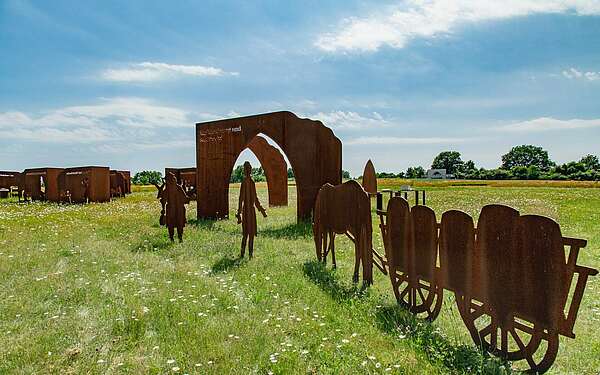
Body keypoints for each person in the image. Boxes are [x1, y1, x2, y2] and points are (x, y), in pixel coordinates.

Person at [237, 161, 267, 258]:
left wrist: (261, 210)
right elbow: (241, 199)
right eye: (246, 169)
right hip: (247, 211)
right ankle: (244, 254)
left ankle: (248, 254)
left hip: (249, 211)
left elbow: (254, 198)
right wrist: (239, 213)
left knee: (250, 235)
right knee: (247, 234)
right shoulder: (246, 183)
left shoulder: (249, 182)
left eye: (249, 169)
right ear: (245, 171)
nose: (248, 171)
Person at [164, 172, 190, 242]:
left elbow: (184, 197)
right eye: (173, 178)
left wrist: (188, 198)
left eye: (174, 178)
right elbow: (163, 199)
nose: (175, 179)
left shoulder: (178, 187)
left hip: (179, 209)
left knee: (179, 223)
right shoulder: (169, 189)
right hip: (172, 209)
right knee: (171, 224)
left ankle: (180, 237)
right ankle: (173, 238)